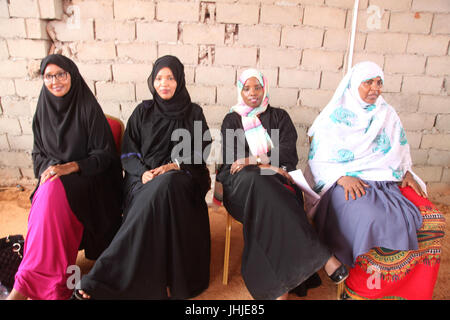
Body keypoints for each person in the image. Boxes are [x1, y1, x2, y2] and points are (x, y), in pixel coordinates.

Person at [74, 55, 212, 300]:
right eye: (159, 78)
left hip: (182, 177)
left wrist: (174, 166)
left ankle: (102, 277)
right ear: (152, 81)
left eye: (170, 78)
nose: (164, 84)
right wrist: (142, 172)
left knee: (169, 184)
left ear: (179, 80)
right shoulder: (143, 111)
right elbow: (128, 152)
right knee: (157, 191)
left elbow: (201, 150)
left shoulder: (194, 113)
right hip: (143, 179)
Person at [307, 61, 445, 300]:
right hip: (345, 180)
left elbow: (399, 151)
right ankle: (362, 290)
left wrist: (407, 173)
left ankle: (411, 291)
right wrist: (340, 177)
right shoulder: (334, 117)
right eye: (368, 82)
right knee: (370, 220)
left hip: (387, 178)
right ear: (354, 84)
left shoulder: (386, 113)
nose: (375, 88)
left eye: (379, 82)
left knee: (432, 219)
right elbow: (317, 159)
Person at [216, 68, 348, 300]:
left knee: (267, 199)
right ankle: (323, 257)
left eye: (258, 87)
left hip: (278, 183)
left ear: (265, 88)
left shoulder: (280, 117)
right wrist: (267, 164)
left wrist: (258, 162)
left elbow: (287, 155)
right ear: (240, 91)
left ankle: (277, 289)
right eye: (247, 88)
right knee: (256, 181)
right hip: (240, 187)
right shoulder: (232, 120)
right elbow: (237, 162)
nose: (253, 93)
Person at [7, 54, 123, 300]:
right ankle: (38, 283)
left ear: (72, 75)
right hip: (56, 184)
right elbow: (38, 155)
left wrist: (70, 167)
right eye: (49, 76)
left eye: (61, 74)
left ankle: (26, 286)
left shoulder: (88, 108)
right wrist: (53, 169)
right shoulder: (43, 109)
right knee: (48, 191)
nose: (55, 81)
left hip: (90, 182)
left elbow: (105, 157)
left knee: (51, 193)